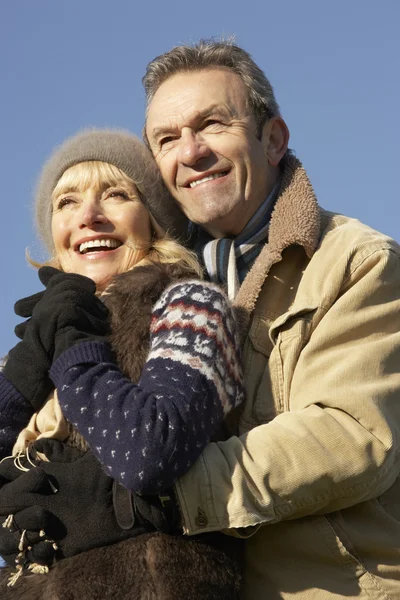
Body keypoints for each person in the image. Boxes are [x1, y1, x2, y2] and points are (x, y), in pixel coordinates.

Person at [139, 40, 400, 599]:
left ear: (273, 139)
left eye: (212, 124)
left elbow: (352, 434)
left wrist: (161, 495)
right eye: (167, 139)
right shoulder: (157, 290)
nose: (190, 151)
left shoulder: (358, 260)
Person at [0, 128, 244, 598]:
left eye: (115, 195)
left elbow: (147, 455)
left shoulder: (190, 305)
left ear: (152, 219)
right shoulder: (35, 343)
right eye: (66, 202)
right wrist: (26, 367)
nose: (89, 217)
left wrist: (73, 341)